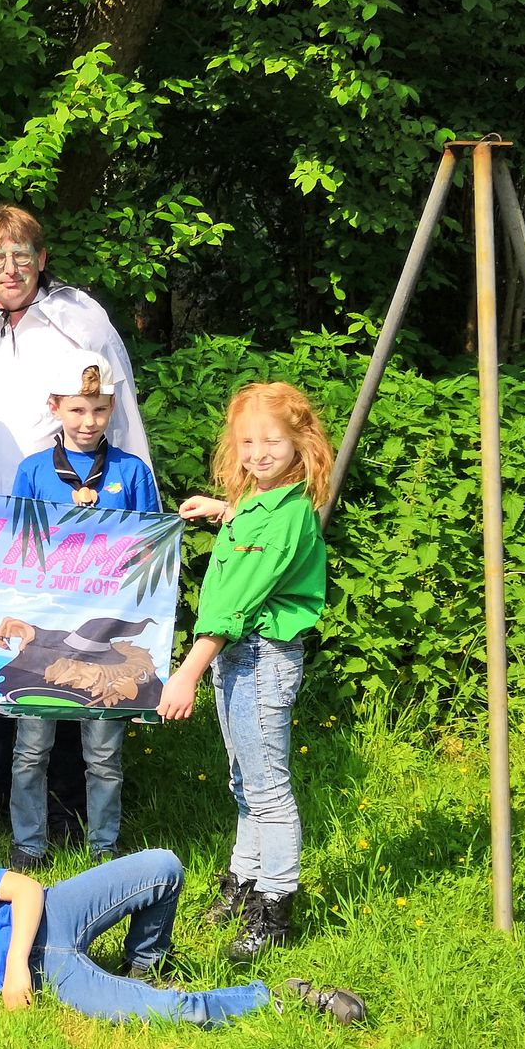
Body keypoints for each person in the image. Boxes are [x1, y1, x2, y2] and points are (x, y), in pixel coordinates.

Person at [0, 204, 156, 826]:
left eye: (21, 255)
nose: (10, 269)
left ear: (42, 258)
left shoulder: (80, 319)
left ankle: (64, 800)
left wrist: (137, 526)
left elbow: (118, 412)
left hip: (67, 540)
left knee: (66, 656)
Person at [0, 791, 364, 1027]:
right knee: (169, 1013)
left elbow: (28, 889)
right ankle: (281, 996)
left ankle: (145, 963)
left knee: (164, 865)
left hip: (51, 918)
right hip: (51, 970)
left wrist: (14, 967)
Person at [157, 382, 334, 960]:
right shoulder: (264, 503)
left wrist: (187, 672)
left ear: (301, 444)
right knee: (244, 781)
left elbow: (236, 602)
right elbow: (255, 530)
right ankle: (244, 881)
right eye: (247, 442)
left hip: (260, 656)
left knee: (268, 790)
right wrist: (223, 510)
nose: (257, 453)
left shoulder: (287, 515)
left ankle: (275, 907)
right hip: (240, 656)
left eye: (271, 442)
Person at [6, 350, 160, 869]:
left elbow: (150, 545)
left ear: (112, 407)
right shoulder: (32, 471)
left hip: (107, 634)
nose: (88, 422)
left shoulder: (131, 471)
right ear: (54, 407)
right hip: (47, 632)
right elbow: (17, 545)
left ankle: (104, 849)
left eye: (98, 410)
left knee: (104, 754)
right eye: (76, 410)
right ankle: (28, 845)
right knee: (31, 749)